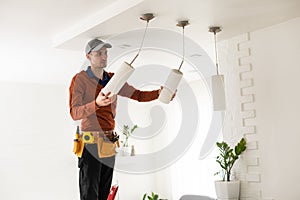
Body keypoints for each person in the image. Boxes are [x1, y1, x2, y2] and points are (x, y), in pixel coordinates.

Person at [69, 38, 171, 200]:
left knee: (104, 193)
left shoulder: (113, 79)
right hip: (90, 144)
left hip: (109, 142)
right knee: (90, 194)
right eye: (99, 53)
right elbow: (75, 112)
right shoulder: (80, 79)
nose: (104, 57)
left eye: (106, 53)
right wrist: (96, 103)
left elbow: (137, 94)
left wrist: (159, 93)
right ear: (88, 56)